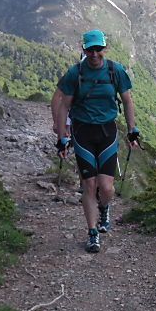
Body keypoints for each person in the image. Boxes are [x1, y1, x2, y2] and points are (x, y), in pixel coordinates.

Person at [53, 29, 140, 253]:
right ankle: (92, 233)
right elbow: (64, 105)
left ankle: (105, 207)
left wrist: (132, 130)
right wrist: (62, 136)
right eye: (90, 49)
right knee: (89, 185)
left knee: (107, 187)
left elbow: (128, 101)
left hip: (108, 132)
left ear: (104, 48)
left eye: (98, 49)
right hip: (83, 133)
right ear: (84, 49)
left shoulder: (115, 71)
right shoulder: (75, 73)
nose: (94, 54)